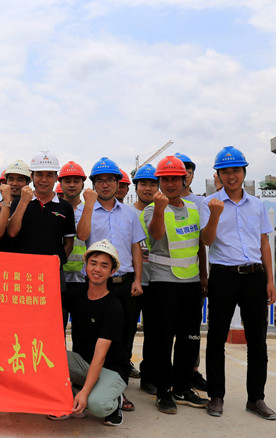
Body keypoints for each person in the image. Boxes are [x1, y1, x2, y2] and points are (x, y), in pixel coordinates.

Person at [200, 146, 276, 420]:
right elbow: (206, 240)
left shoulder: (256, 205)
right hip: (223, 275)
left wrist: (270, 280)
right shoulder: (210, 203)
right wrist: (215, 215)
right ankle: (216, 396)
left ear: (244, 172)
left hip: (254, 276)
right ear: (218, 175)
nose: (231, 176)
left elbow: (264, 242)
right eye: (225, 171)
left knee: (258, 341)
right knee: (216, 338)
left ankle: (256, 398)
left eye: (236, 170)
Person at [76, 156, 145, 411]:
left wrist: (138, 280)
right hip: (94, 285)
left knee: (123, 340)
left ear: (118, 183)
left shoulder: (130, 214)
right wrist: (88, 206)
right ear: (94, 184)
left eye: (110, 180)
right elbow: (82, 235)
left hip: (124, 283)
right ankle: (86, 384)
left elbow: (135, 247)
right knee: (88, 338)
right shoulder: (84, 210)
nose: (105, 185)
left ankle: (118, 389)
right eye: (100, 180)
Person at [144, 156, 209, 414]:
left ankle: (183, 387)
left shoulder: (193, 209)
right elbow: (156, 235)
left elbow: (200, 244)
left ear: (185, 180)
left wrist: (203, 275)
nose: (170, 184)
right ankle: (163, 391)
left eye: (175, 179)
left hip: (191, 283)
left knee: (190, 339)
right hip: (163, 283)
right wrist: (160, 209)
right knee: (163, 340)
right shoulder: (152, 209)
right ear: (160, 182)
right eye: (165, 179)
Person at [62, 239, 130, 426]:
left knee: (97, 405)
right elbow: (48, 298)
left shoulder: (113, 308)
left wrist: (85, 392)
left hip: (112, 369)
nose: (97, 269)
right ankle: (70, 398)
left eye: (104, 266)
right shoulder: (77, 294)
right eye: (93, 263)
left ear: (112, 272)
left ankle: (114, 401)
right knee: (47, 357)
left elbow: (100, 356)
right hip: (84, 363)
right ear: (85, 266)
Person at [4, 150, 75, 320]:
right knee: (20, 319)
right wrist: (23, 201)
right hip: (22, 275)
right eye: (39, 174)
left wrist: (55, 263)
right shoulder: (18, 202)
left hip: (52, 275)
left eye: (49, 175)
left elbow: (69, 244)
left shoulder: (65, 207)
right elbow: (12, 232)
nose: (44, 179)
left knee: (54, 319)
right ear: (32, 176)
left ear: (56, 178)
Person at [174, 152, 208, 392]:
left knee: (191, 331)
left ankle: (192, 372)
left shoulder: (199, 203)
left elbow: (201, 243)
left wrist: (203, 275)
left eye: (188, 170)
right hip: (165, 277)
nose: (185, 174)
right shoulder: (161, 201)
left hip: (191, 275)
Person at [130, 163, 158, 395]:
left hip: (158, 280)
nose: (148, 188)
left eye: (152, 184)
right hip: (133, 280)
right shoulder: (127, 213)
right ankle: (121, 371)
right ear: (136, 186)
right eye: (143, 184)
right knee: (126, 329)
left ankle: (149, 377)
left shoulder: (164, 211)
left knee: (155, 332)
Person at [57, 161, 88, 328]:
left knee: (82, 330)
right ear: (60, 183)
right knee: (56, 327)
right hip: (58, 277)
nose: (72, 185)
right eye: (67, 181)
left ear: (83, 183)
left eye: (76, 181)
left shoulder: (90, 210)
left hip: (83, 279)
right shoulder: (53, 209)